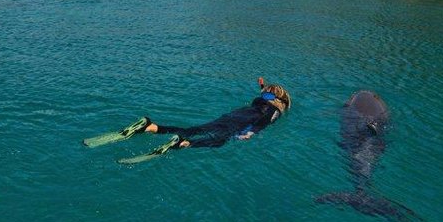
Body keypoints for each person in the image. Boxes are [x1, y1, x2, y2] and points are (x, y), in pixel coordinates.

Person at [84, 78, 291, 160]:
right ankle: (183, 144)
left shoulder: (258, 100)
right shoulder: (274, 111)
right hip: (236, 124)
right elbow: (262, 123)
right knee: (218, 141)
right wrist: (249, 134)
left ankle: (150, 126)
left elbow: (265, 94)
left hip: (228, 117)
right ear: (281, 101)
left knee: (193, 129)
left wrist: (262, 85)